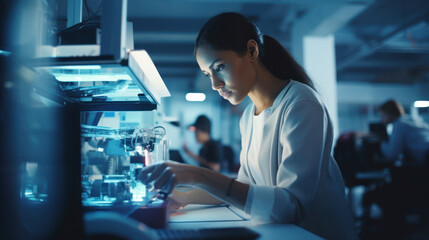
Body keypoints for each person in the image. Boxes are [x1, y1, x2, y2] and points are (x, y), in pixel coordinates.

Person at [139, 12, 357, 240]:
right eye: (208, 73)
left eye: (220, 67)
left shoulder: (301, 103)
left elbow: (292, 206)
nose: (215, 84)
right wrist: (187, 196)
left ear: (251, 51)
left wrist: (200, 175)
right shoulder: (247, 117)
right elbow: (245, 186)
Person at [378, 99, 429, 165]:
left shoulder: (399, 124)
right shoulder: (410, 119)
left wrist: (382, 142)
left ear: (390, 113)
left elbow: (392, 154)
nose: (381, 119)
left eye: (383, 116)